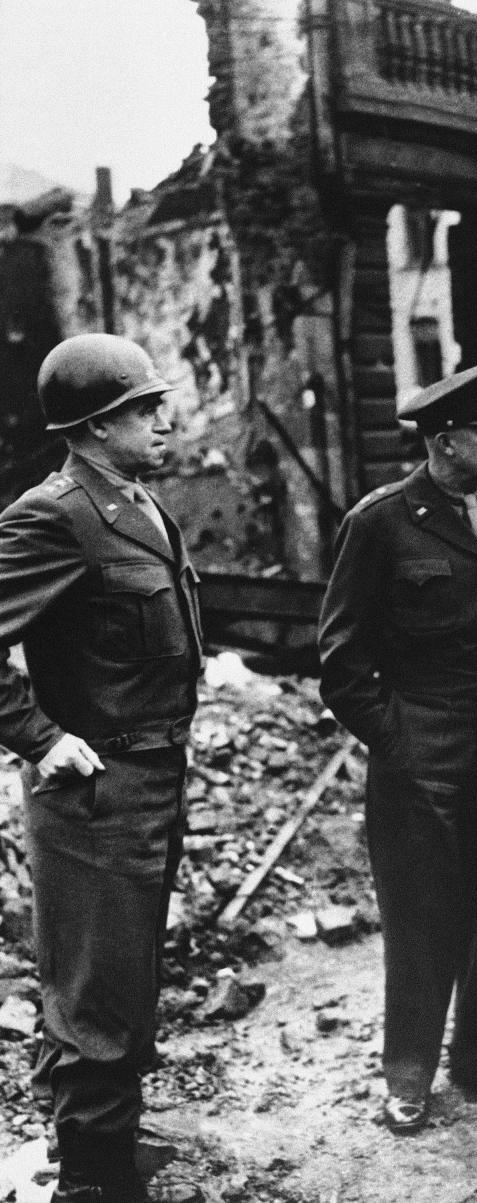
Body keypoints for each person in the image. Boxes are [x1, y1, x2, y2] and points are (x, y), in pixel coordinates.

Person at [317, 358, 477, 1134]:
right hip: (418, 737)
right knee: (421, 908)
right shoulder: (380, 522)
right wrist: (399, 740)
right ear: (446, 440)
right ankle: (410, 1071)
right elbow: (341, 662)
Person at [0, 334, 203, 1201]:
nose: (164, 417)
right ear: (92, 425)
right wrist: (40, 736)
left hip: (153, 781)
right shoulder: (53, 514)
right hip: (94, 797)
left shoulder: (138, 502)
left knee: (129, 984)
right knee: (93, 1005)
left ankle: (109, 1150)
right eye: (143, 407)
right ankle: (93, 1181)